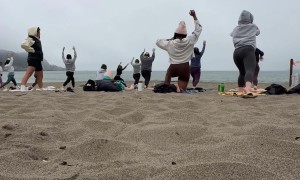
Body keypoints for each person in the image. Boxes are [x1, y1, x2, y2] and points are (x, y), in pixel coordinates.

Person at [156, 10, 202, 92]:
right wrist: (194, 16)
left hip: (173, 67)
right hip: (185, 67)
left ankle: (170, 86)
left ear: (175, 34)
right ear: (185, 34)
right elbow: (198, 29)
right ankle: (177, 88)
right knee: (181, 89)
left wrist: (171, 38)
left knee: (167, 77)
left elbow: (158, 41)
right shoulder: (190, 40)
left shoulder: (170, 43)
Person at [231, 10, 260, 94]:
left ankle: (240, 90)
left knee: (242, 72)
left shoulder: (236, 28)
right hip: (248, 49)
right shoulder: (253, 26)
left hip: (236, 52)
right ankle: (247, 88)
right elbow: (258, 33)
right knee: (250, 70)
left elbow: (231, 34)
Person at [20, 27, 44, 91]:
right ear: (34, 32)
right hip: (33, 59)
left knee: (40, 75)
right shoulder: (31, 39)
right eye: (38, 32)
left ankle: (41, 88)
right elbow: (23, 45)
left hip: (38, 60)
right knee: (28, 73)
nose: (39, 33)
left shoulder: (37, 40)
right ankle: (22, 88)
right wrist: (31, 50)